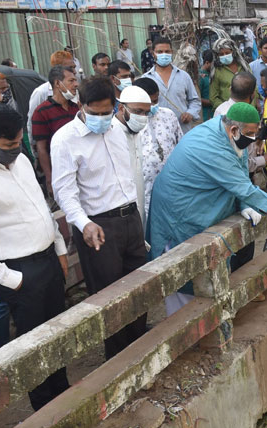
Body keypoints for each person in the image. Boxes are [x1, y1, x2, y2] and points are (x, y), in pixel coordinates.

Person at [147, 103, 267, 314]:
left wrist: (244, 204)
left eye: (254, 133)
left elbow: (239, 169)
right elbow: (245, 188)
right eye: (248, 134)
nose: (251, 138)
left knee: (212, 274)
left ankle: (214, 321)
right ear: (234, 129)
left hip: (202, 205)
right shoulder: (210, 145)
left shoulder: (224, 130)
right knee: (185, 281)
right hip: (181, 211)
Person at [51, 76, 147, 359]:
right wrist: (84, 223)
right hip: (98, 227)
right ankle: (118, 360)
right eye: (96, 113)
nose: (103, 118)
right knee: (109, 298)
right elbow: (64, 192)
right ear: (80, 106)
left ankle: (141, 348)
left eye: (107, 112)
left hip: (130, 218)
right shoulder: (65, 140)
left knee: (140, 288)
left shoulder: (118, 129)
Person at [0, 104, 70, 410]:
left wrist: (60, 249)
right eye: (8, 145)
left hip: (48, 261)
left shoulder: (22, 161)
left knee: (57, 334)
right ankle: (45, 408)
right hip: (20, 272)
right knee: (32, 344)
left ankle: (63, 394)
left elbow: (42, 207)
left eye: (18, 143)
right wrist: (11, 279)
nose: (15, 149)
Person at [132, 77, 182, 224]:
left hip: (172, 187)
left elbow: (180, 144)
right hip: (145, 191)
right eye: (149, 102)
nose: (153, 105)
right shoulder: (132, 122)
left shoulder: (168, 115)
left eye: (155, 101)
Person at [31, 65, 80, 195]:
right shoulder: (41, 112)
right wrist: (49, 178)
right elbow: (41, 149)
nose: (76, 84)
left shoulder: (76, 108)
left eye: (76, 80)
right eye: (71, 81)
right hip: (60, 173)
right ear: (58, 83)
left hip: (80, 171)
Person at [143, 37, 201, 134]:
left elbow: (195, 100)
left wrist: (190, 113)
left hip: (183, 130)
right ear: (153, 54)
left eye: (167, 51)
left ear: (172, 52)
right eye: (160, 52)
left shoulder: (184, 76)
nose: (164, 54)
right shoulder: (145, 79)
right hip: (157, 132)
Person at [112, 86, 151, 225]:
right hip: (118, 216)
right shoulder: (110, 134)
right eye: (138, 111)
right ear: (122, 108)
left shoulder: (138, 132)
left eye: (146, 112)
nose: (142, 117)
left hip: (139, 208)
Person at [27, 50, 75, 140]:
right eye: (70, 67)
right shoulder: (41, 92)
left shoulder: (75, 89)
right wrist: (36, 150)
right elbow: (32, 123)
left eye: (74, 67)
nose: (73, 71)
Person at [210, 38, 245, 111]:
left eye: (227, 53)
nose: (225, 55)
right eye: (221, 54)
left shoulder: (244, 67)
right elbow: (213, 97)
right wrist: (226, 109)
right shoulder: (217, 71)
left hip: (246, 109)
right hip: (227, 112)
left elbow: (253, 89)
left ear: (233, 52)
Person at [199, 51, 214, 121]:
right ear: (207, 63)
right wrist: (211, 102)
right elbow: (197, 98)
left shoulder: (211, 75)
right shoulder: (200, 77)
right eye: (213, 64)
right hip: (205, 114)